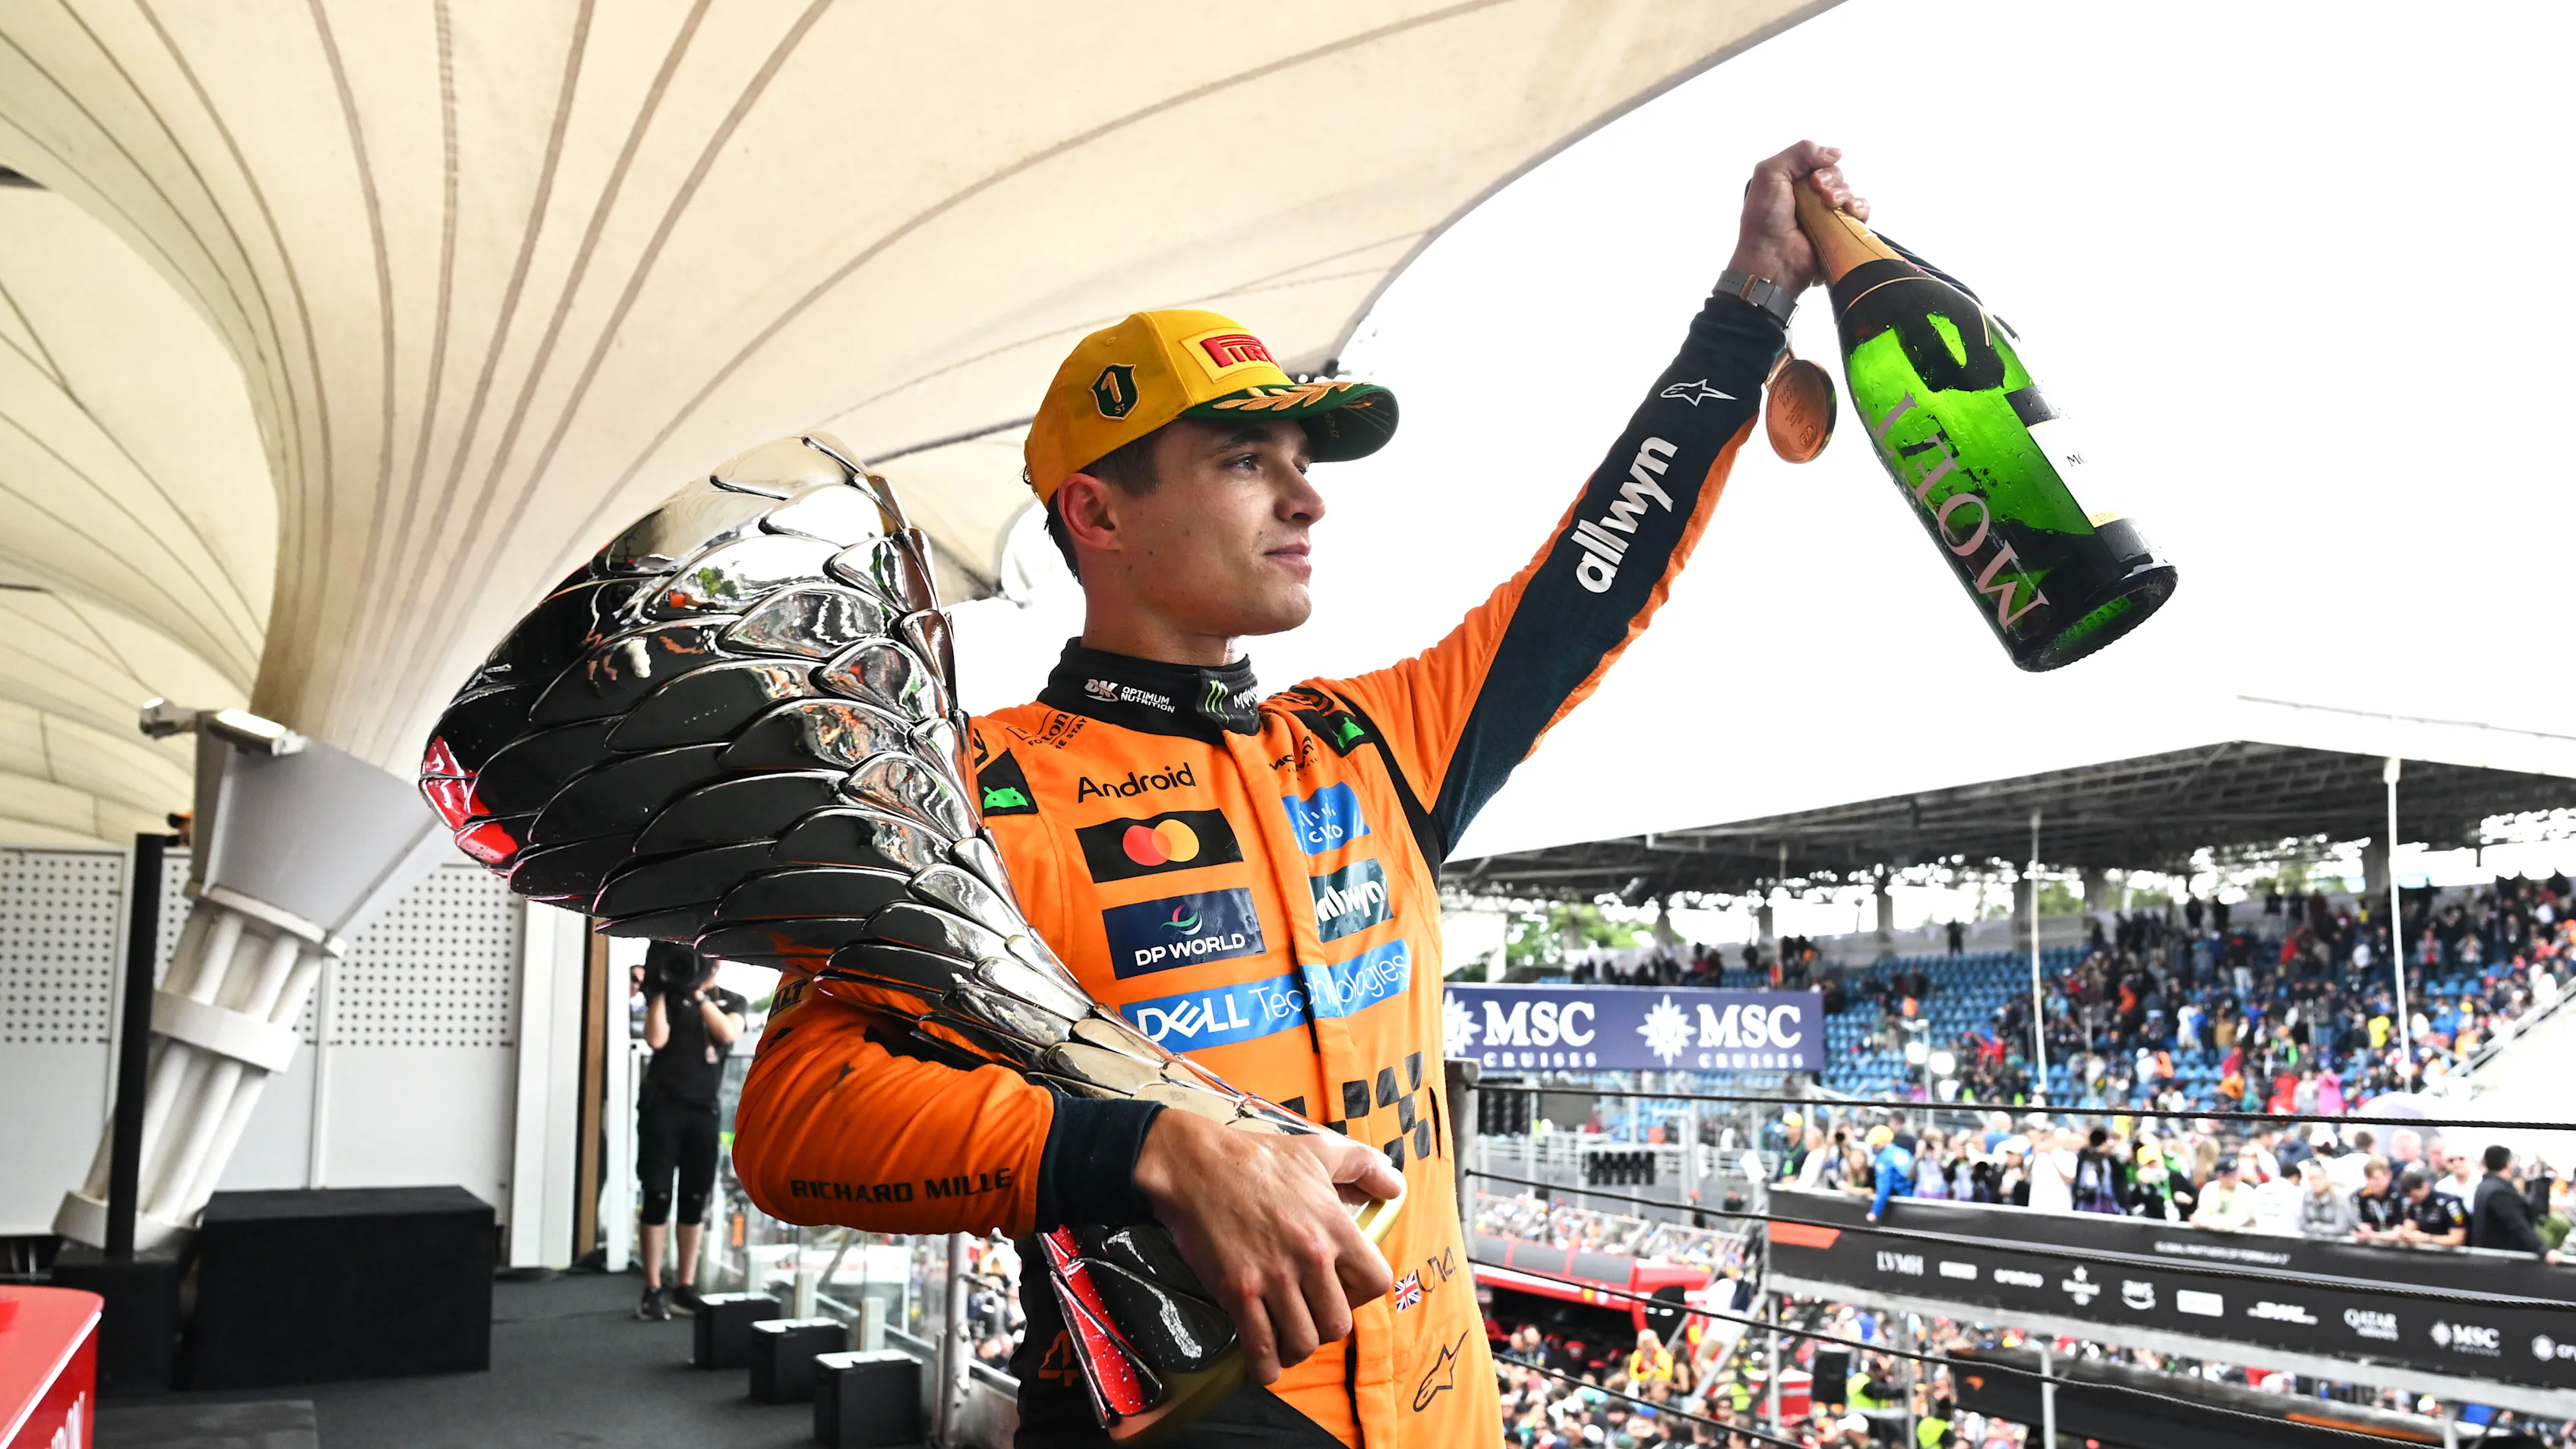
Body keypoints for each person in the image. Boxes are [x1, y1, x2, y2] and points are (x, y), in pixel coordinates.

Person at [731, 142, 1870, 1448]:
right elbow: (794, 1124)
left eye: (1300, 457)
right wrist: (1148, 1149)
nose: (1307, 497)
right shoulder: (979, 796)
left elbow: (1594, 572)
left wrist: (1751, 301)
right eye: (1243, 461)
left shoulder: (1369, 741)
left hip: (1448, 1415)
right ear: (1096, 512)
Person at [633, 941, 747, 1321]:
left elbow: (728, 1033)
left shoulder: (732, 1001)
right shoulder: (666, 995)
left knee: (695, 1199)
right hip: (661, 1108)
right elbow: (656, 1039)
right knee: (657, 1194)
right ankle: (652, 1289)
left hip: (704, 1111)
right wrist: (659, 990)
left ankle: (685, 1286)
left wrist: (698, 995)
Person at [2468, 1144, 2562, 1261]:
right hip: (2501, 1261)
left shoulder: (2483, 1187)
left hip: (2487, 1258)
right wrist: (2545, 1250)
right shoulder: (2499, 1192)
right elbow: (2517, 1224)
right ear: (2508, 1164)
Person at [2394, 1167, 2467, 1248]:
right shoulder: (2412, 1204)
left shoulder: (2451, 1204)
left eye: (2415, 1196)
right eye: (2409, 1197)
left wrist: (2428, 1239)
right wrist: (2407, 1236)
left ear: (2425, 1187)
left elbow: (2458, 1239)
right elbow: (2409, 1230)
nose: (2412, 1200)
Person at [2293, 1159, 2357, 1239]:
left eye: (2319, 1178)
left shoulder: (2339, 1198)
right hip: (2313, 1241)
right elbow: (2304, 1225)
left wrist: (2318, 1227)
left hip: (2337, 1242)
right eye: (2311, 1179)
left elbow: (2341, 1228)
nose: (2315, 1183)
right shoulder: (2307, 1197)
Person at [2189, 1159, 2253, 1232]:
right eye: (2231, 1175)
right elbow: (2200, 1215)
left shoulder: (2246, 1191)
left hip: (2245, 1237)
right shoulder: (2210, 1188)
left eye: (2237, 1173)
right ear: (2220, 1176)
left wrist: (2206, 1223)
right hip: (2213, 1236)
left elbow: (2233, 1222)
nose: (2236, 1177)